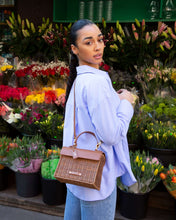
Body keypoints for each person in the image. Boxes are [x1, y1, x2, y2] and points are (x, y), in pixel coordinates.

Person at [62, 19, 136, 220]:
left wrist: (115, 98)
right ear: (74, 49)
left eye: (100, 39)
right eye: (88, 42)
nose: (98, 47)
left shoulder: (81, 79)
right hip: (97, 181)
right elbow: (111, 136)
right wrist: (126, 104)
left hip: (77, 175)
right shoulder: (96, 81)